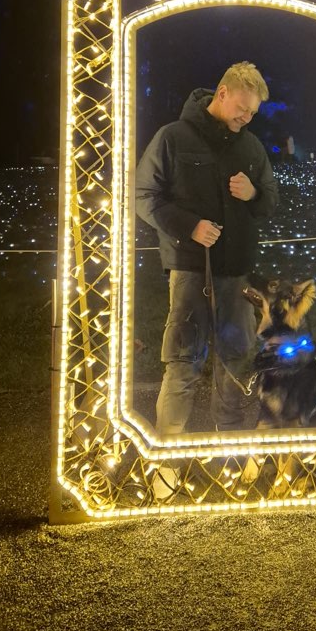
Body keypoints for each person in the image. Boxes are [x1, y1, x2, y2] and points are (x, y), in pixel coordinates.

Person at [135, 61, 279, 438]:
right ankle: (168, 454)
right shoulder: (172, 138)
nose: (246, 118)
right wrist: (190, 227)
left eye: (252, 113)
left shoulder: (251, 147)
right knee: (183, 361)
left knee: (235, 359)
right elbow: (143, 197)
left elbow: (270, 200)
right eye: (242, 109)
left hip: (236, 273)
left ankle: (228, 445)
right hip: (189, 271)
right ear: (222, 93)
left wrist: (255, 193)